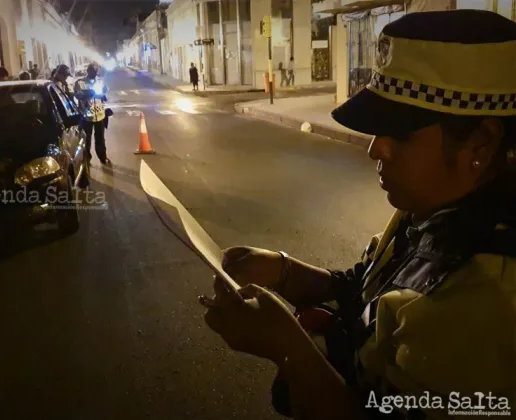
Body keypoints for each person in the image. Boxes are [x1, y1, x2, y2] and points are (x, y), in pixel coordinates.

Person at [200, 10, 516, 419]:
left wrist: (289, 348)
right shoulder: (429, 207)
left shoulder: (491, 300)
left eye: (399, 133)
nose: (374, 150)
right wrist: (284, 272)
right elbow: (367, 291)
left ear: (481, 143)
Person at [74, 63, 111, 165]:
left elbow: (105, 91)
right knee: (86, 140)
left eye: (96, 71)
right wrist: (89, 93)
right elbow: (78, 95)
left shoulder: (99, 81)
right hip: (86, 116)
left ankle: (103, 158)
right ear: (88, 71)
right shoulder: (80, 82)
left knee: (100, 139)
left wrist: (104, 92)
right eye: (92, 71)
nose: (94, 73)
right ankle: (86, 160)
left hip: (99, 114)